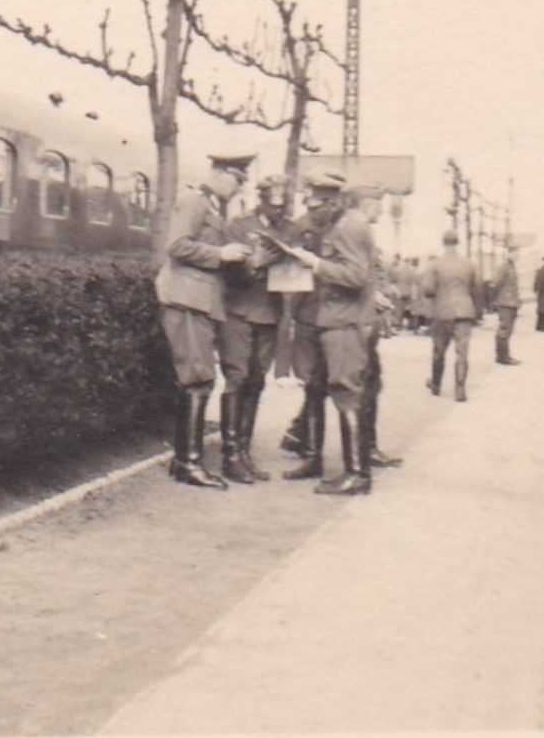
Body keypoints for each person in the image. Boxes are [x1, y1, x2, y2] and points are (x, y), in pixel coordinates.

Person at [155, 153, 256, 489]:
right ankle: (189, 464)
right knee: (197, 379)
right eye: (236, 178)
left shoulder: (213, 207)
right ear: (218, 173)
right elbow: (177, 246)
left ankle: (184, 461)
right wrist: (220, 255)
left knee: (196, 379)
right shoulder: (194, 201)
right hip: (187, 299)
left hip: (199, 301)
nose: (239, 185)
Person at [276, 173, 378, 495]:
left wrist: (315, 264)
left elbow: (356, 276)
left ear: (332, 203)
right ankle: (313, 459)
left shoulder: (349, 227)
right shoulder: (335, 225)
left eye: (315, 205)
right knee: (316, 387)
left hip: (344, 323)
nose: (311, 211)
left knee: (346, 392)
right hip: (329, 320)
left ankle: (358, 475)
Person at [216, 173, 293, 484]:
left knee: (257, 381)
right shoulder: (238, 226)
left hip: (270, 314)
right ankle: (230, 456)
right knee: (237, 378)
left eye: (283, 204)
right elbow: (226, 274)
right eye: (274, 204)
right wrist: (256, 263)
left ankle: (245, 453)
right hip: (239, 312)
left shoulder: (288, 230)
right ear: (261, 199)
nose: (279, 210)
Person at [349, 186, 403, 469]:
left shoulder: (364, 234)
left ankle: (367, 448)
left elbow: (373, 273)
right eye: (377, 205)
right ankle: (363, 454)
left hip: (365, 322)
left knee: (368, 383)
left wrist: (384, 290)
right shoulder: (354, 231)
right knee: (360, 386)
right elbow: (353, 277)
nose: (381, 211)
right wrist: (373, 295)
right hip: (355, 323)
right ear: (366, 204)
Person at [420, 229, 482, 402]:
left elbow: (428, 290)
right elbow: (476, 289)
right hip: (464, 311)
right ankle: (460, 390)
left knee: (439, 350)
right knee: (462, 353)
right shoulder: (469, 264)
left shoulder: (435, 265)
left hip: (443, 311)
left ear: (443, 243)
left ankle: (436, 386)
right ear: (458, 242)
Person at [492, 247, 522, 365]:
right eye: (515, 253)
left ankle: (503, 355)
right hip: (505, 303)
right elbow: (495, 284)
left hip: (511, 303)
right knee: (504, 330)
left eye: (517, 254)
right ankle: (503, 357)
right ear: (508, 253)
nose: (517, 256)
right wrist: (496, 300)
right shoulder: (503, 267)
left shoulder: (511, 267)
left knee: (507, 330)